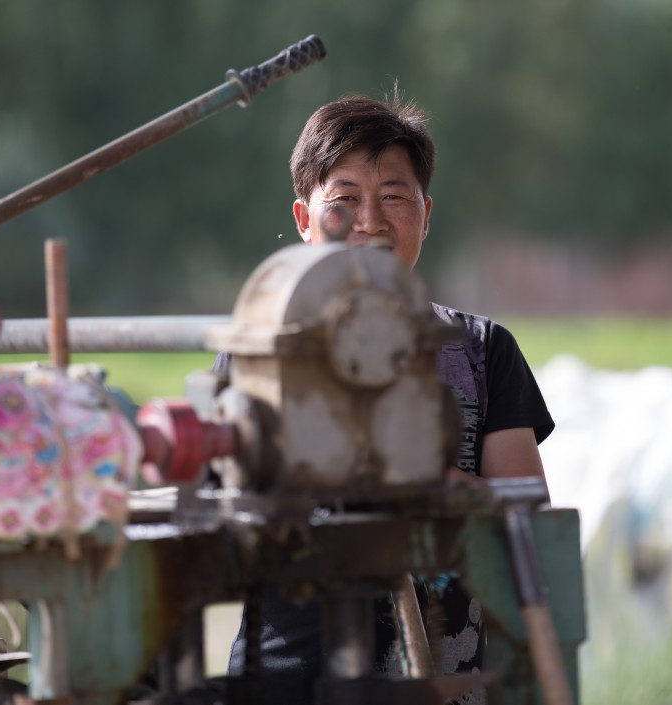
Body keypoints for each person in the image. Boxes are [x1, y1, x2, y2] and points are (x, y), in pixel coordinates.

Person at [223, 91, 555, 704]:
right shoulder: (258, 351)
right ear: (303, 220)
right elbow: (230, 509)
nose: (370, 220)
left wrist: (436, 484)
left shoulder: (482, 349)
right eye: (344, 200)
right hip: (289, 678)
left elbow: (526, 508)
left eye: (394, 197)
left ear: (425, 214)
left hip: (443, 673)